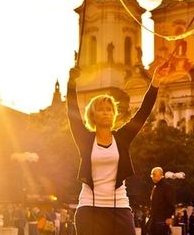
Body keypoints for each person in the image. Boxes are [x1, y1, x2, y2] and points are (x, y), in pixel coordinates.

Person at [66, 67, 158, 235]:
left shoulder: (122, 138)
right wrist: (71, 83)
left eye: (109, 109)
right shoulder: (85, 140)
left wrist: (156, 83)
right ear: (93, 115)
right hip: (89, 208)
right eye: (101, 109)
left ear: (114, 114)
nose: (106, 112)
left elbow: (143, 112)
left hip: (119, 207)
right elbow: (73, 114)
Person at [148, 167, 175, 235]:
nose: (152, 177)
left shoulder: (165, 187)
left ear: (157, 175)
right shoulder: (156, 187)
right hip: (156, 218)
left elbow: (170, 202)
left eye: (153, 175)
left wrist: (169, 216)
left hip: (161, 219)